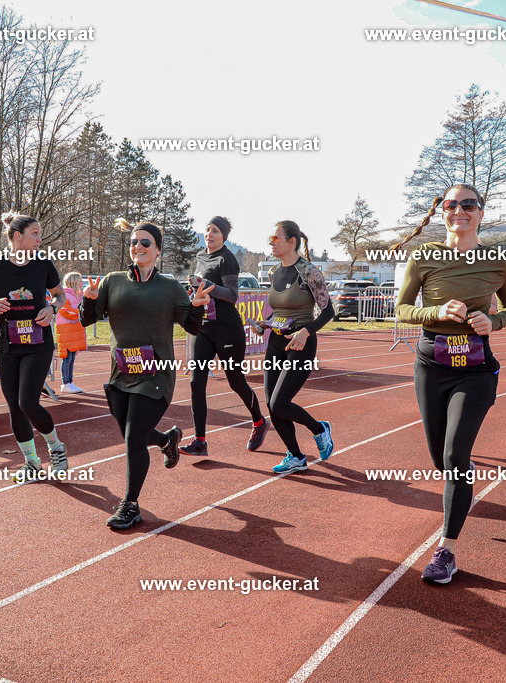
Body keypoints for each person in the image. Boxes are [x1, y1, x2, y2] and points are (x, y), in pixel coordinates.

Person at [394, 183, 506, 584]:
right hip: (431, 364)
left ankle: (445, 551)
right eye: (451, 204)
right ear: (442, 211)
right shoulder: (425, 256)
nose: (459, 210)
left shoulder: (497, 262)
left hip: (475, 369)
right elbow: (401, 309)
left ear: (481, 212)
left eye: (468, 204)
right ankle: (457, 481)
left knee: (453, 459)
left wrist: (493, 322)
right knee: (438, 459)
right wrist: (436, 310)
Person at [80, 218, 213, 529]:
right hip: (121, 372)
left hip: (156, 373)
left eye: (145, 243)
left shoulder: (169, 287)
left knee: (133, 438)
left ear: (157, 250)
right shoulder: (113, 281)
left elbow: (192, 326)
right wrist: (88, 301)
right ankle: (167, 440)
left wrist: (197, 306)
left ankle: (130, 504)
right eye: (134, 242)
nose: (137, 246)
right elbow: (89, 320)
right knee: (131, 432)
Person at [0, 213, 68, 481]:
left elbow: (61, 294)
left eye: (40, 233)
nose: (39, 238)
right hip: (8, 345)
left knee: (28, 403)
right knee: (14, 406)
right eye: (35, 233)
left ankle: (56, 447)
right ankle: (32, 463)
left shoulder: (43, 265)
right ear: (17, 236)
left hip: (39, 343)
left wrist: (53, 307)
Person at [249, 220, 334, 475]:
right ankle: (296, 456)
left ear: (291, 242)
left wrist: (306, 331)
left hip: (301, 344)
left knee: (279, 403)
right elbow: (279, 310)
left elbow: (329, 311)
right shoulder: (275, 272)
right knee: (272, 404)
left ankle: (319, 429)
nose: (271, 242)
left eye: (276, 238)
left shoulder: (309, 272)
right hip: (276, 341)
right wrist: (264, 324)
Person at [179, 216, 267, 457]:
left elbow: (232, 295)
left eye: (215, 230)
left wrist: (205, 284)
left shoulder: (227, 259)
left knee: (235, 381)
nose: (209, 234)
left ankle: (259, 422)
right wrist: (193, 289)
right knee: (197, 382)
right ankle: (200, 441)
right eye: (208, 229)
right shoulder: (200, 256)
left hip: (227, 328)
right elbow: (202, 289)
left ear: (224, 236)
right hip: (204, 327)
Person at [56, 271, 87, 393]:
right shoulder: (64, 295)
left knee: (73, 357)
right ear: (74, 282)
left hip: (75, 329)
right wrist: (81, 313)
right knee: (67, 357)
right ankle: (65, 383)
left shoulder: (79, 294)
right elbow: (66, 311)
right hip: (66, 329)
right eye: (80, 280)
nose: (82, 283)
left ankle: (70, 381)